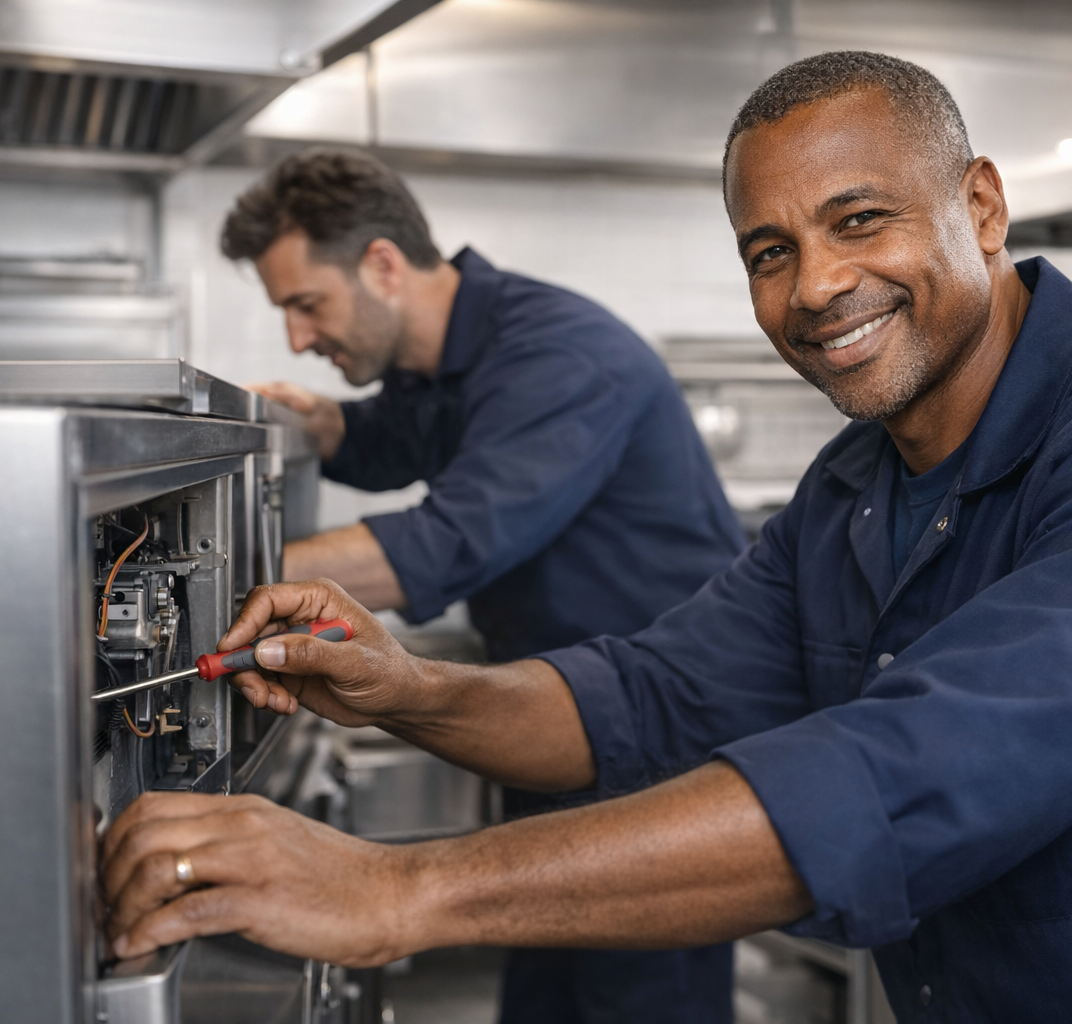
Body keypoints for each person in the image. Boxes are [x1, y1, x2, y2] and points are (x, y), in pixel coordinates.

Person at [103, 52, 1072, 1022]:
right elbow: (648, 698)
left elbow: (918, 769)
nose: (816, 288)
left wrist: (395, 893)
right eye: (768, 251)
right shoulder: (861, 487)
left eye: (859, 220)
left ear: (978, 206)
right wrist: (408, 689)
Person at [219, 149, 746, 1024]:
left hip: (661, 747)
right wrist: (332, 427)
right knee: (547, 993)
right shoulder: (454, 363)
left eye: (306, 306)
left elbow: (446, 542)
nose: (298, 340)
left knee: (644, 1002)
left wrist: (209, 575)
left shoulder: (560, 355)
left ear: (383, 265)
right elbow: (402, 437)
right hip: (554, 722)